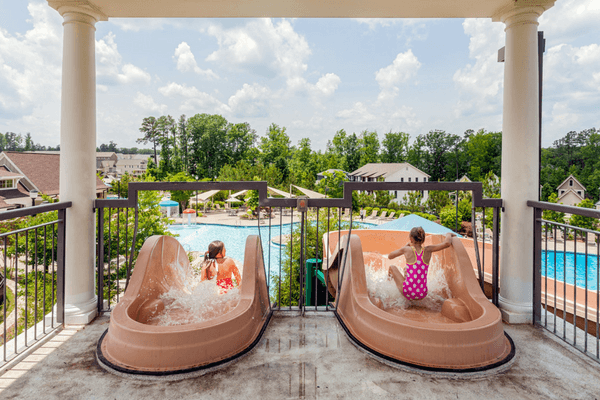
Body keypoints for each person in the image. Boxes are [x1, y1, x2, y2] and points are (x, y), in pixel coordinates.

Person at [387, 228, 455, 301]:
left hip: (408, 292)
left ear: (411, 239)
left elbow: (390, 256)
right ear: (423, 240)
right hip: (422, 293)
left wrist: (406, 246)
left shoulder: (406, 249)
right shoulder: (429, 250)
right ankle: (412, 295)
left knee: (392, 267)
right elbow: (447, 243)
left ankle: (388, 289)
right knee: (406, 269)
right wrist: (449, 234)